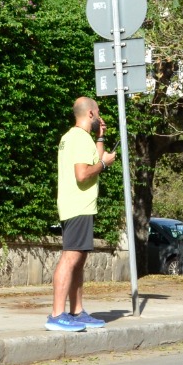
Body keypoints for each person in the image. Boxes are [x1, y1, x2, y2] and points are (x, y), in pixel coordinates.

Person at [47, 96, 117, 331]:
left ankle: (76, 311)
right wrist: (105, 165)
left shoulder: (74, 137)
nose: (99, 117)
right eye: (97, 113)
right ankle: (57, 315)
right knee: (70, 258)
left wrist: (101, 138)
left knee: (78, 261)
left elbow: (93, 160)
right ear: (90, 114)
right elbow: (83, 173)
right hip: (78, 206)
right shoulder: (79, 138)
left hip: (76, 205)